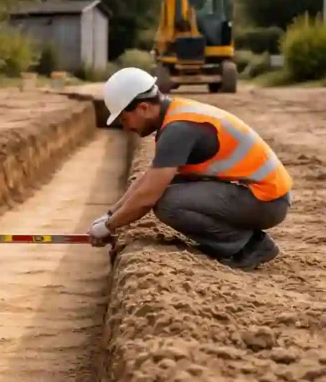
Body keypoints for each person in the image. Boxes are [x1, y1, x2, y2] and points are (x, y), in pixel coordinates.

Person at [87, 67, 293, 270]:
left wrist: (109, 226)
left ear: (143, 108)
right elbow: (148, 179)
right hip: (262, 196)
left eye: (124, 119)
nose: (125, 127)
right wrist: (110, 214)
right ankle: (244, 241)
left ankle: (249, 247)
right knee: (169, 186)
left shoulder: (178, 130)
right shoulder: (176, 115)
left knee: (167, 203)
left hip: (266, 201)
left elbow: (147, 197)